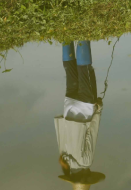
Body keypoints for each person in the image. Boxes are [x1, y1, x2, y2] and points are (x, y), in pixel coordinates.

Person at [55, 41, 106, 188]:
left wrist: (99, 110)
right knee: (70, 70)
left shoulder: (86, 162)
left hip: (85, 105)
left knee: (85, 70)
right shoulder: (65, 161)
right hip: (69, 105)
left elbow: (91, 133)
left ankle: (84, 36)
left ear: (86, 176)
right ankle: (65, 36)